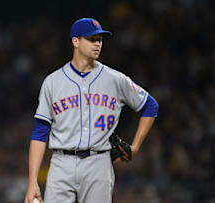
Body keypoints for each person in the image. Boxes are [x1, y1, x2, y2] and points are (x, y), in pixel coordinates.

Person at [24, 17, 159, 203]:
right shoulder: (53, 82)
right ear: (75, 41)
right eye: (91, 39)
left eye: (100, 40)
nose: (97, 44)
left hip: (99, 162)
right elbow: (40, 132)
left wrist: (135, 147)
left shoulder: (115, 79)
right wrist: (32, 181)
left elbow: (150, 105)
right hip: (61, 162)